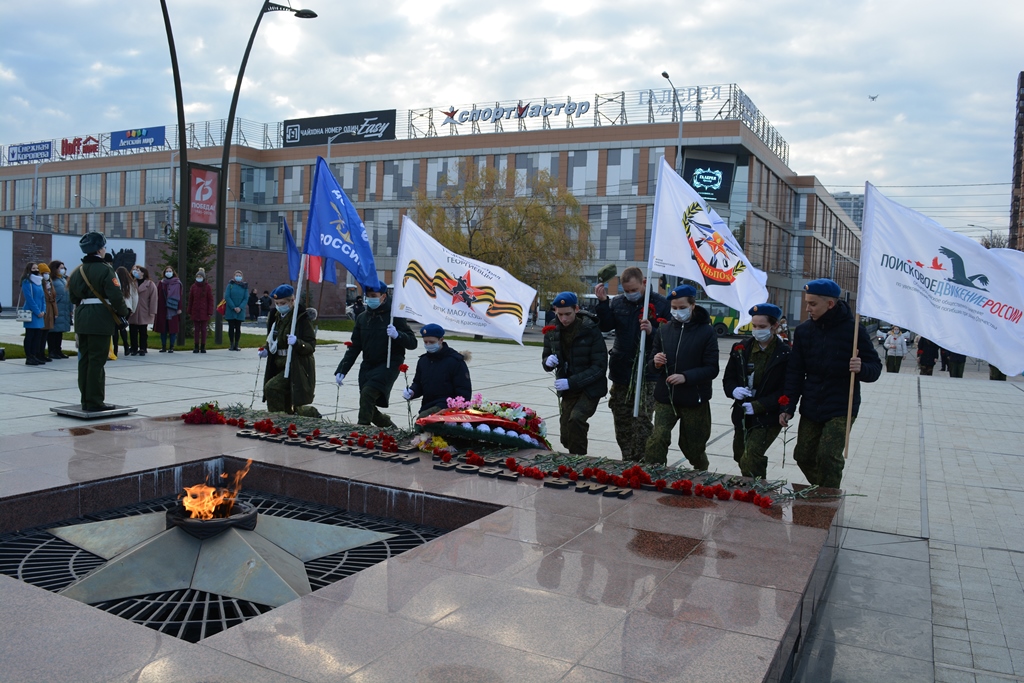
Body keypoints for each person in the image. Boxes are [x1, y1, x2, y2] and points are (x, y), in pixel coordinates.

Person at [780, 279, 882, 489]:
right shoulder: (804, 331)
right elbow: (795, 372)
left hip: (841, 406)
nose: (808, 308)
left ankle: (827, 502)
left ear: (830, 304)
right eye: (807, 303)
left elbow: (875, 368)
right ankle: (826, 491)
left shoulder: (854, 331)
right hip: (811, 404)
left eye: (813, 304)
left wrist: (861, 367)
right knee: (803, 455)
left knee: (828, 456)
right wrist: (788, 406)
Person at [594, 266, 671, 462]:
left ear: (644, 282)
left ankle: (644, 462)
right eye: (626, 290)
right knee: (622, 420)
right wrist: (603, 303)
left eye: (633, 289)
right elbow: (606, 325)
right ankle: (627, 460)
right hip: (622, 371)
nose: (630, 294)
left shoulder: (661, 303)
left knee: (642, 421)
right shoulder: (618, 302)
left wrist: (653, 330)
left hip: (648, 373)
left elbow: (671, 335)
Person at [644, 285, 719, 469]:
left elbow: (712, 369)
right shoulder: (664, 329)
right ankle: (653, 474)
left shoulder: (706, 331)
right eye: (674, 308)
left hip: (694, 398)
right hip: (666, 397)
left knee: (692, 446)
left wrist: (686, 377)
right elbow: (651, 365)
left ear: (693, 305)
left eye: (682, 307)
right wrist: (656, 362)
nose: (677, 312)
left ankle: (701, 471)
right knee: (658, 438)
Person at [723, 303, 790, 479]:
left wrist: (760, 405)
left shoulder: (784, 354)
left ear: (774, 326)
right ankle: (755, 482)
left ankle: (757, 492)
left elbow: (786, 388)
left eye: (762, 327)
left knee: (751, 457)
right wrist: (733, 390)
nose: (757, 330)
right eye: (754, 326)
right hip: (743, 414)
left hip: (768, 416)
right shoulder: (741, 349)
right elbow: (728, 378)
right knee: (740, 456)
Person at [335, 284, 417, 427]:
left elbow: (412, 343)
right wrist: (342, 369)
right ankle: (390, 428)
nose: (370, 299)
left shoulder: (394, 317)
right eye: (369, 296)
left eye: (374, 296)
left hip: (388, 364)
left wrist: (398, 335)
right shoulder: (362, 318)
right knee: (367, 403)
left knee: (368, 394)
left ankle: (362, 429)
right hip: (368, 365)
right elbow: (355, 347)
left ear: (383, 297)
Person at [68, 232, 130, 411]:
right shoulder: (105, 270)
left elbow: (73, 297)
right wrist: (124, 313)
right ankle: (95, 401)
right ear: (99, 249)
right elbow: (116, 296)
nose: (104, 250)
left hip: (83, 317)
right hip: (100, 319)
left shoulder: (78, 271)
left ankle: (86, 400)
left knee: (85, 361)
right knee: (97, 361)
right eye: (103, 247)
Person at [541, 291, 608, 456]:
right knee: (566, 433)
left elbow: (599, 366)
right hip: (569, 389)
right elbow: (546, 357)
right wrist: (547, 362)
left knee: (576, 419)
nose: (564, 319)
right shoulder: (552, 329)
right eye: (560, 314)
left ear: (576, 309)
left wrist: (571, 382)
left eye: (568, 314)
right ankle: (574, 452)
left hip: (590, 388)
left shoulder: (589, 329)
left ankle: (578, 461)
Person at [257, 284, 319, 416]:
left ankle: (278, 419)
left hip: (295, 365)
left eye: (283, 303)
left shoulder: (301, 318)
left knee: (272, 388)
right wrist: (267, 349)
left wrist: (297, 342)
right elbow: (274, 338)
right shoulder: (276, 316)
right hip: (278, 363)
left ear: (292, 301)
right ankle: (289, 417)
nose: (280, 306)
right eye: (277, 303)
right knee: (287, 400)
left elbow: (311, 345)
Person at [403, 323, 472, 418]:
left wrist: (456, 408)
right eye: (425, 342)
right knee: (422, 422)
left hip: (447, 406)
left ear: (441, 340)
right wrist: (412, 391)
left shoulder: (455, 361)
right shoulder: (423, 361)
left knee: (421, 422)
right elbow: (418, 383)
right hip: (428, 404)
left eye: (431, 342)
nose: (428, 345)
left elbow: (464, 390)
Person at [19, 263, 47, 366]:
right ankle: (29, 357)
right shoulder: (27, 282)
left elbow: (43, 298)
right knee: (30, 335)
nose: (35, 270)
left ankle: (35, 355)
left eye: (36, 268)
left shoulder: (39, 281)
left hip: (40, 313)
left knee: (37, 336)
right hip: (31, 313)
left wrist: (43, 310)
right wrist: (37, 311)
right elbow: (29, 299)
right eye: (33, 268)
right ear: (29, 270)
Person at [128, 266, 158, 356]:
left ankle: (143, 348)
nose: (135, 272)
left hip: (144, 310)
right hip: (133, 310)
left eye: (138, 270)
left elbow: (153, 298)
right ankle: (133, 348)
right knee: (132, 330)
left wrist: (152, 311)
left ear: (143, 273)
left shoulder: (150, 284)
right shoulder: (132, 283)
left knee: (143, 331)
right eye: (135, 270)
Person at [48, 260, 72, 359]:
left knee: (59, 332)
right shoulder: (52, 281)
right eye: (60, 268)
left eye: (63, 268)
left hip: (64, 309)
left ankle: (58, 350)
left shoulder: (63, 279)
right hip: (56, 310)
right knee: (53, 331)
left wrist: (70, 309)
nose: (63, 270)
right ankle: (52, 350)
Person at [155, 266, 182, 353]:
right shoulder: (161, 283)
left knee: (173, 329)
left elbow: (180, 297)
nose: (168, 273)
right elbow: (157, 295)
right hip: (162, 308)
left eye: (170, 271)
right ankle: (163, 346)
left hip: (173, 308)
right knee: (163, 329)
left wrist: (179, 308)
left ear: (173, 272)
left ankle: (171, 347)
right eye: (167, 271)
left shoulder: (177, 283)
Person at [187, 268, 215, 353]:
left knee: (203, 330)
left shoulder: (207, 287)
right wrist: (189, 310)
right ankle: (196, 346)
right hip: (195, 311)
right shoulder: (193, 287)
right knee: (196, 330)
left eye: (200, 276)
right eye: (197, 276)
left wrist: (209, 312)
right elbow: (190, 299)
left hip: (204, 312)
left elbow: (210, 300)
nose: (199, 278)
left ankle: (203, 346)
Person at [113, 266, 137, 357]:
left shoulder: (115, 282)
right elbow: (135, 297)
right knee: (123, 327)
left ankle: (115, 350)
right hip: (127, 307)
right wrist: (133, 309)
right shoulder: (130, 283)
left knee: (115, 330)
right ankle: (126, 347)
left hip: (117, 307)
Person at [37, 263, 58, 361]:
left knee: (45, 333)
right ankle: (38, 353)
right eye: (44, 273)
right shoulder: (38, 284)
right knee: (40, 334)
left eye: (47, 273)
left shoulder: (50, 283)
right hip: (43, 310)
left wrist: (55, 312)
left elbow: (53, 298)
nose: (46, 275)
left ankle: (42, 353)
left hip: (50, 310)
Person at [224, 269, 248, 351]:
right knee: (231, 327)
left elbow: (246, 298)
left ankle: (237, 344)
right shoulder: (230, 285)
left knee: (238, 328)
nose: (238, 277)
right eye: (236, 275)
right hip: (231, 310)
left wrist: (240, 307)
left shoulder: (244, 287)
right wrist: (233, 307)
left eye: (239, 276)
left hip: (240, 311)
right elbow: (227, 296)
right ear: (234, 277)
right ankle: (231, 344)